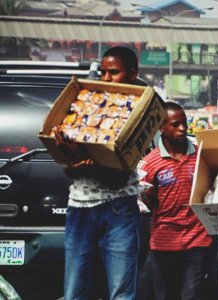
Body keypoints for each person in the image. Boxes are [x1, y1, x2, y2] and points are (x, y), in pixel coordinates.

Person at [53, 46, 142, 300]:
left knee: (122, 292)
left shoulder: (136, 113)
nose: (105, 78)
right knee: (75, 292)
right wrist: (73, 162)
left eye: (113, 72)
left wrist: (83, 159)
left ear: (132, 74)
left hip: (118, 209)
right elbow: (72, 172)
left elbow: (118, 179)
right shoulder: (86, 106)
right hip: (79, 208)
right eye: (103, 71)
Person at [140, 102, 212, 299]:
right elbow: (145, 202)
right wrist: (145, 199)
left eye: (184, 123)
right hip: (164, 242)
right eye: (175, 124)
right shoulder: (150, 164)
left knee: (191, 294)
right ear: (161, 127)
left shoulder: (201, 155)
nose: (182, 128)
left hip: (197, 239)